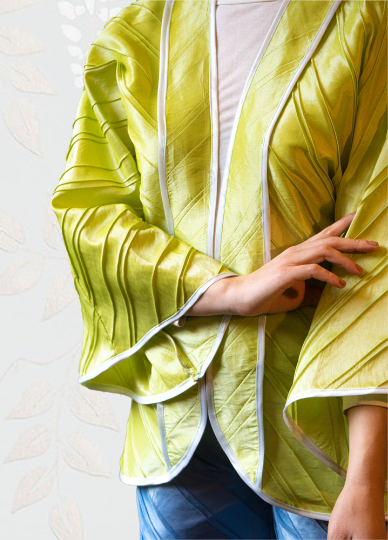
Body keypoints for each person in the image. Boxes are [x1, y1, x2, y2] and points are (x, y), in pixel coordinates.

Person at [51, 0, 388, 538]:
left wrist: (368, 480)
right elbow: (91, 215)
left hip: (322, 437)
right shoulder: (135, 37)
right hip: (177, 432)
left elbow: (378, 251)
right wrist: (229, 290)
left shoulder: (364, 23)